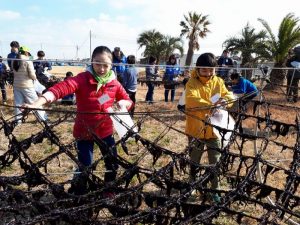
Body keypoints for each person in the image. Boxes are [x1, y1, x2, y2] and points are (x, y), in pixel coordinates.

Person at [23, 46, 133, 194]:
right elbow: (59, 89)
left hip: (105, 131)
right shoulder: (82, 79)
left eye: (105, 65)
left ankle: (109, 191)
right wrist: (36, 104)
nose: (101, 69)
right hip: (84, 132)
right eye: (97, 63)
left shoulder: (114, 83)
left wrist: (122, 103)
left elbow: (128, 100)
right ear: (91, 61)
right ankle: (80, 193)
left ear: (111, 65)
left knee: (112, 162)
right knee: (85, 166)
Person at [185, 53, 234, 203]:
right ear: (198, 69)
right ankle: (191, 186)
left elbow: (228, 95)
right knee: (194, 160)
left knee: (215, 162)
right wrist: (211, 104)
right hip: (196, 129)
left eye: (211, 70)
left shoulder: (218, 81)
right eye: (204, 70)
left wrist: (225, 101)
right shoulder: (191, 82)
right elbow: (191, 99)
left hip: (214, 130)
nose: (208, 73)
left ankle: (215, 190)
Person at [12, 46, 47, 122]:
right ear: (26, 52)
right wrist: (35, 78)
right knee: (35, 102)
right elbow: (32, 74)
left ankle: (18, 121)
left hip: (16, 85)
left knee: (18, 104)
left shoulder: (14, 60)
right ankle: (43, 119)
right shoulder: (27, 60)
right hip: (27, 85)